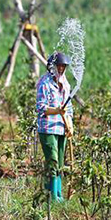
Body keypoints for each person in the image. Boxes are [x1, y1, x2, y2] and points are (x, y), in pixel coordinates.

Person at [36, 51, 74, 202]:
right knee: (52, 159)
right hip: (48, 128)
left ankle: (58, 194)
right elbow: (41, 108)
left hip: (61, 128)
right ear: (51, 67)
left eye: (63, 67)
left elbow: (68, 108)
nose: (61, 69)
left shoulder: (65, 83)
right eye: (58, 66)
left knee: (59, 162)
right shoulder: (44, 84)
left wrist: (70, 125)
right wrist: (57, 111)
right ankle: (52, 195)